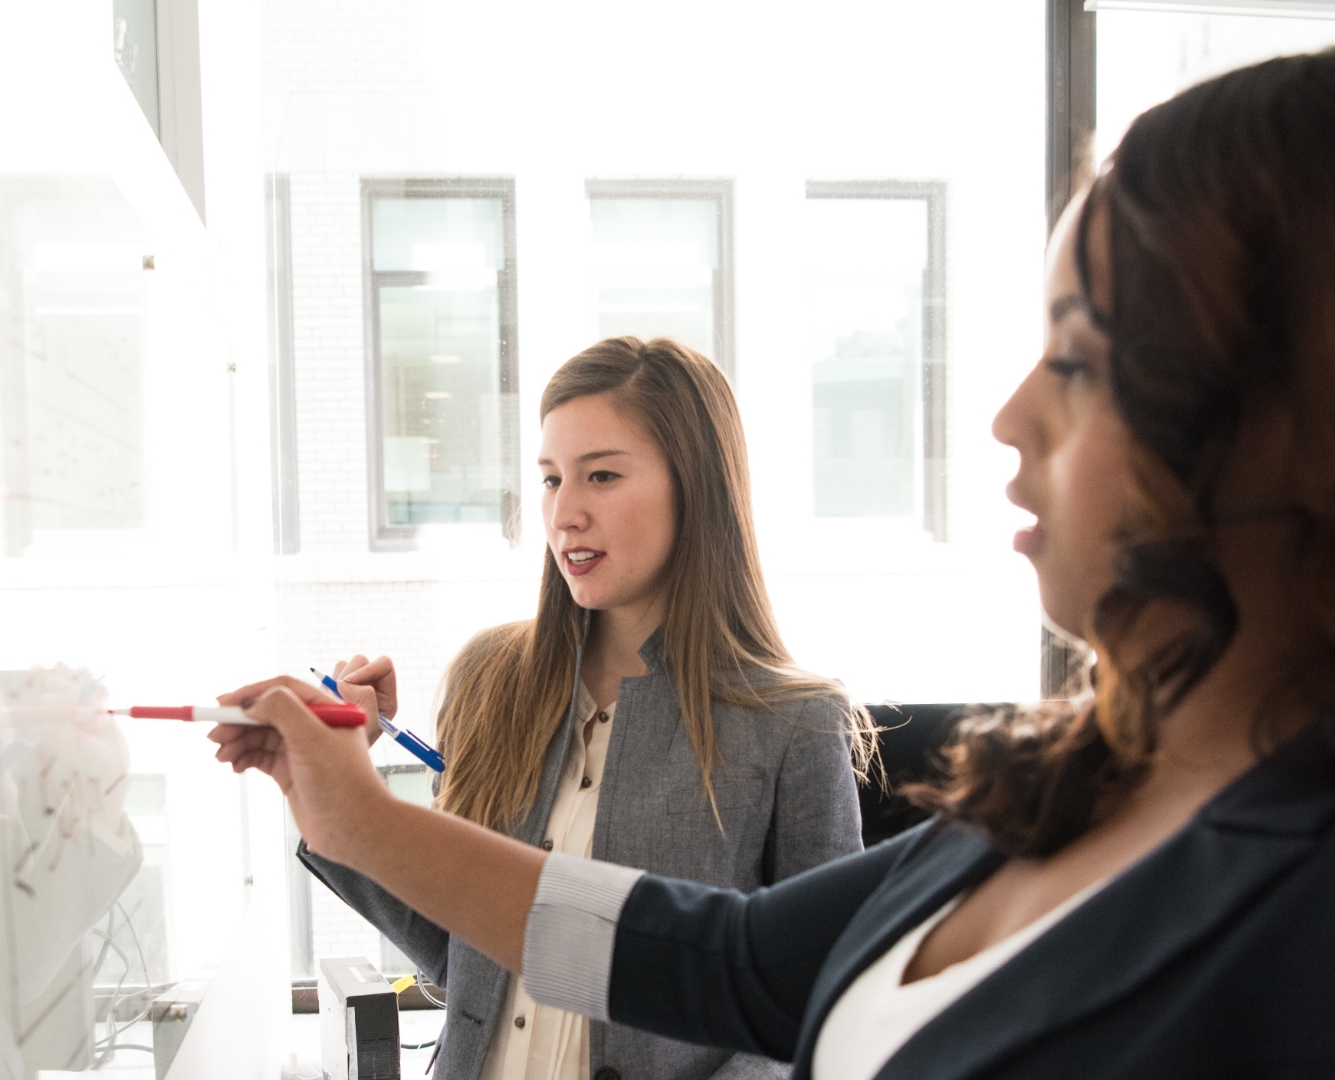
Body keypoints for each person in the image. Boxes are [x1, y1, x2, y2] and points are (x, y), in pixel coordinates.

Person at [214, 50, 1335, 1080]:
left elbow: (730, 998)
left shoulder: (1284, 907)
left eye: (1083, 359)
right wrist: (354, 816)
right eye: (552, 478)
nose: (1007, 415)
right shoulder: (1060, 797)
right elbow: (725, 960)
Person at [226, 336, 874, 1080]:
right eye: (549, 479)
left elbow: (823, 1008)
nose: (564, 514)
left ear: (695, 486)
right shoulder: (489, 678)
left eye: (600, 476)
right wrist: (337, 790)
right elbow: (458, 953)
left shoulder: (794, 722)